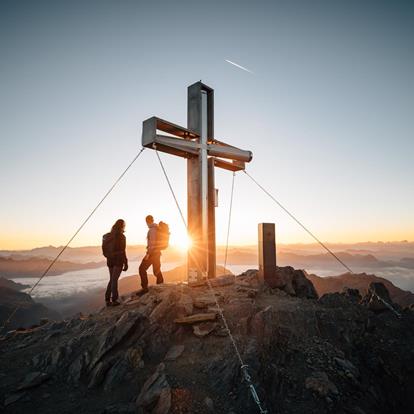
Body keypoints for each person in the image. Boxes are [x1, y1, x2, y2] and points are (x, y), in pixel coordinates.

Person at [103, 219, 128, 306]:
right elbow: (123, 250)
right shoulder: (122, 237)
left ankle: (107, 299)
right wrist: (126, 262)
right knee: (114, 280)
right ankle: (114, 300)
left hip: (110, 260)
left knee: (112, 279)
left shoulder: (107, 236)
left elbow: (104, 250)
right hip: (118, 260)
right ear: (122, 226)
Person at [139, 215, 164, 293]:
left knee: (141, 269)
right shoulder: (156, 228)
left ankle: (145, 288)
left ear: (147, 221)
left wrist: (148, 254)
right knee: (156, 270)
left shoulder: (152, 229)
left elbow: (152, 243)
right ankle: (161, 285)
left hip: (152, 253)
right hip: (157, 253)